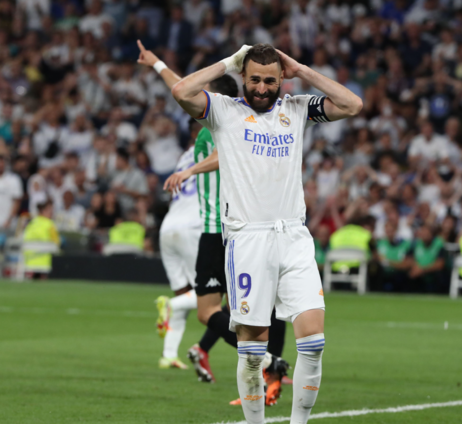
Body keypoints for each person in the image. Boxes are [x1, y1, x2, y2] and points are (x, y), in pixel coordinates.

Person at [166, 42, 362, 423]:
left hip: (294, 236)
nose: (261, 88)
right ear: (243, 76)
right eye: (254, 79)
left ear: (281, 79)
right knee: (253, 352)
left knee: (314, 343)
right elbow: (181, 91)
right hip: (248, 239)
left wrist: (301, 69)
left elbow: (352, 104)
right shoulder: (223, 111)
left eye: (270, 81)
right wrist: (228, 62)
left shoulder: (297, 109)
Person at [139, 41, 291, 405]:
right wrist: (157, 63)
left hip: (226, 230)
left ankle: (266, 367)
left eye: (204, 91)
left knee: (245, 309)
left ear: (216, 96)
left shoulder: (227, 121)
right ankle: (268, 363)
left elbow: (226, 154)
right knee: (222, 311)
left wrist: (191, 169)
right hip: (219, 231)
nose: (197, 95)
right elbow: (180, 86)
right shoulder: (218, 123)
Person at [155, 118, 203, 371]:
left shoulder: (184, 157)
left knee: (184, 293)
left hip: (168, 226)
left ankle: (168, 355)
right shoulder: (214, 150)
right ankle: (169, 306)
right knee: (208, 292)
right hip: (193, 226)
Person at [22, 201, 60, 278]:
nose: (52, 213)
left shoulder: (31, 223)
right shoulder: (50, 224)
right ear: (43, 211)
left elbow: (24, 238)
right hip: (44, 261)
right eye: (50, 211)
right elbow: (57, 242)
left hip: (29, 260)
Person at [406, 224, 446, 293]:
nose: (424, 235)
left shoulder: (439, 244)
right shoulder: (415, 243)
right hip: (417, 272)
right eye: (423, 232)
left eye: (427, 233)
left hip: (431, 273)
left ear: (432, 234)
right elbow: (408, 259)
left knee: (440, 275)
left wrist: (423, 270)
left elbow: (440, 264)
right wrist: (415, 266)